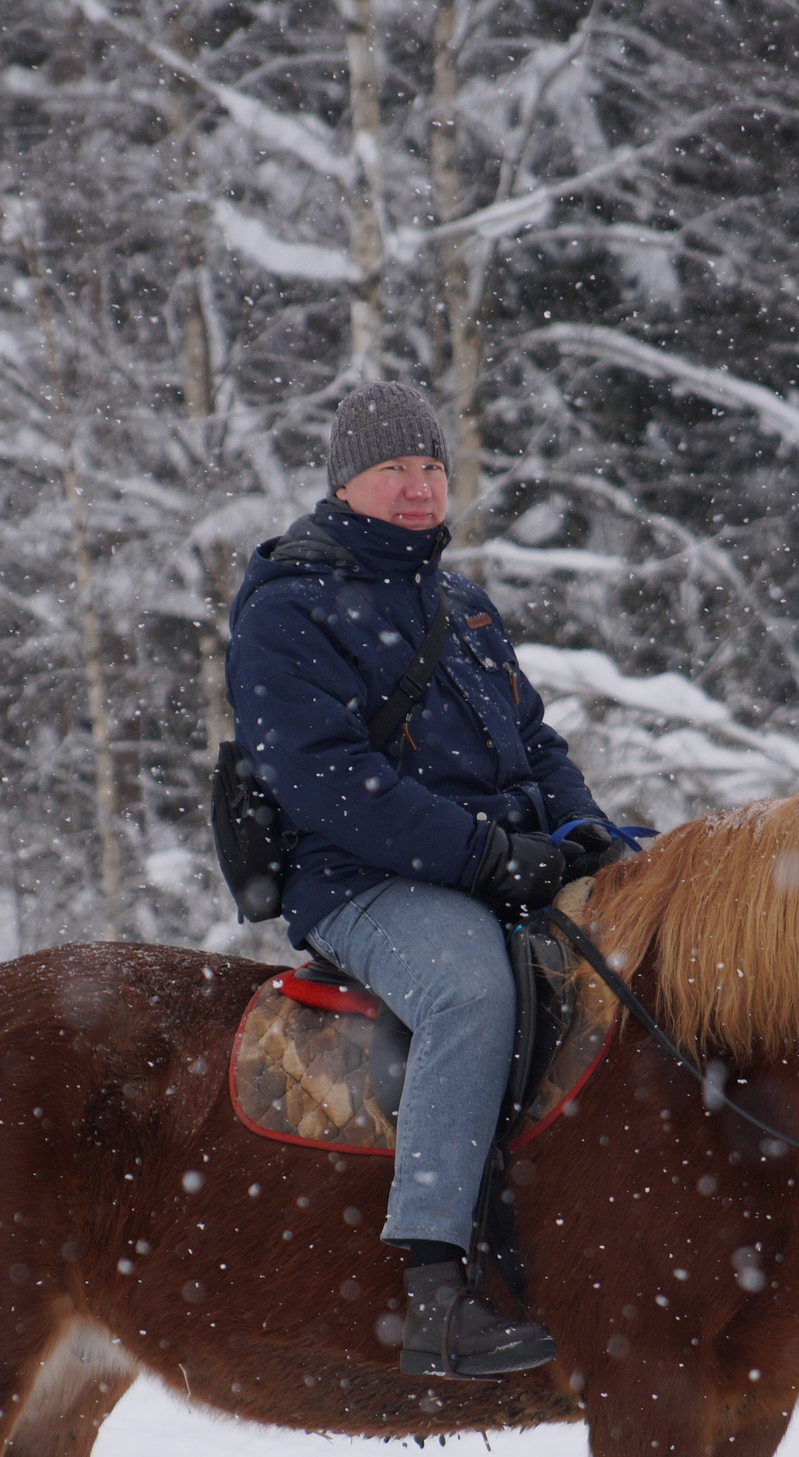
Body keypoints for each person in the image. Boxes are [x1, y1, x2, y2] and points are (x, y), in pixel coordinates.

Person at [227, 381, 630, 1379]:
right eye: (393, 471)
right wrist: (485, 855)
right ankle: (438, 1288)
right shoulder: (288, 609)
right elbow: (324, 781)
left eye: (430, 470)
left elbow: (534, 740)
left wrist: (581, 830)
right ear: (345, 484)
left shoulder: (464, 607)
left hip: (492, 861)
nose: (417, 490)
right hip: (360, 881)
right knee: (469, 993)